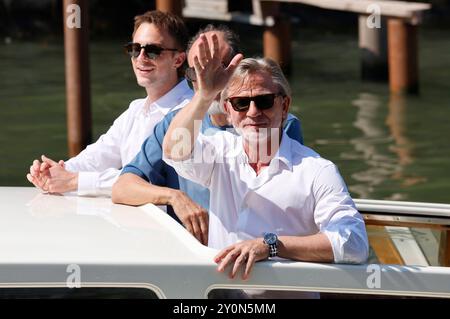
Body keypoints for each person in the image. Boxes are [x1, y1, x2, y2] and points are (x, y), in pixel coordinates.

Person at [162, 37, 368, 281]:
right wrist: (205, 95)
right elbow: (175, 149)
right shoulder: (218, 151)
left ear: (284, 106)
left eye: (264, 101)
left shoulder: (317, 170)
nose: (252, 112)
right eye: (240, 103)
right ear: (228, 111)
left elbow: (354, 244)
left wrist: (271, 246)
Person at [112, 25, 304, 246]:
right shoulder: (173, 124)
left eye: (215, 70)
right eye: (197, 73)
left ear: (237, 69)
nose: (206, 82)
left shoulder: (276, 123)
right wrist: (174, 197)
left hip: (256, 249)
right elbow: (123, 187)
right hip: (194, 254)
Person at [26, 10, 192, 196]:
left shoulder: (189, 112)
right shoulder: (136, 109)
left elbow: (149, 180)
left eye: (153, 51)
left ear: (178, 60)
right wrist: (55, 172)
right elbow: (98, 156)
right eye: (135, 49)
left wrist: (74, 181)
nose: (141, 57)